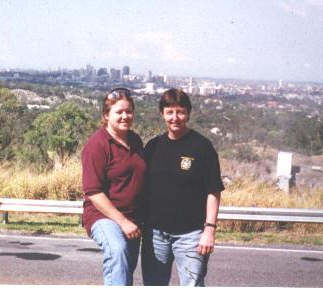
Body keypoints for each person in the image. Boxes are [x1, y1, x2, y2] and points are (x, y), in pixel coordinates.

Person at [141, 88, 224, 286]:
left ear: (188, 113)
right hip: (155, 235)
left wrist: (209, 230)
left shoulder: (202, 147)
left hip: (191, 235)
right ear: (162, 114)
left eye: (180, 112)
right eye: (169, 112)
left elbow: (213, 191)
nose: (175, 117)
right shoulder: (152, 147)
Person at [81, 88, 146, 286]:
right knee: (117, 250)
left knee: (124, 273)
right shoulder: (97, 145)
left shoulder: (134, 140)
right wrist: (122, 222)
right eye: (119, 112)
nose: (125, 116)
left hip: (132, 217)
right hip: (103, 216)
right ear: (106, 115)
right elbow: (93, 192)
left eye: (129, 111)